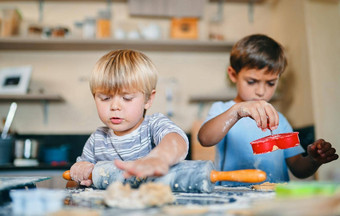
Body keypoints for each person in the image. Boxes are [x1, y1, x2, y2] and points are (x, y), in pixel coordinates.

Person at [198, 34, 338, 186]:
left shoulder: (280, 121)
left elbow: (298, 168)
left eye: (270, 83)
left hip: (274, 201)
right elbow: (205, 139)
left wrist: (313, 160)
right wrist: (237, 111)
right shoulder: (223, 110)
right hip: (230, 199)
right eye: (252, 82)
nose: (261, 91)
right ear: (233, 75)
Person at [70, 49, 189, 186]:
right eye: (105, 98)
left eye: (127, 98)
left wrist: (159, 158)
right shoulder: (97, 140)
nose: (115, 106)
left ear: (148, 99)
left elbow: (176, 141)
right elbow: (74, 186)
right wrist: (78, 172)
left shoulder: (153, 126)